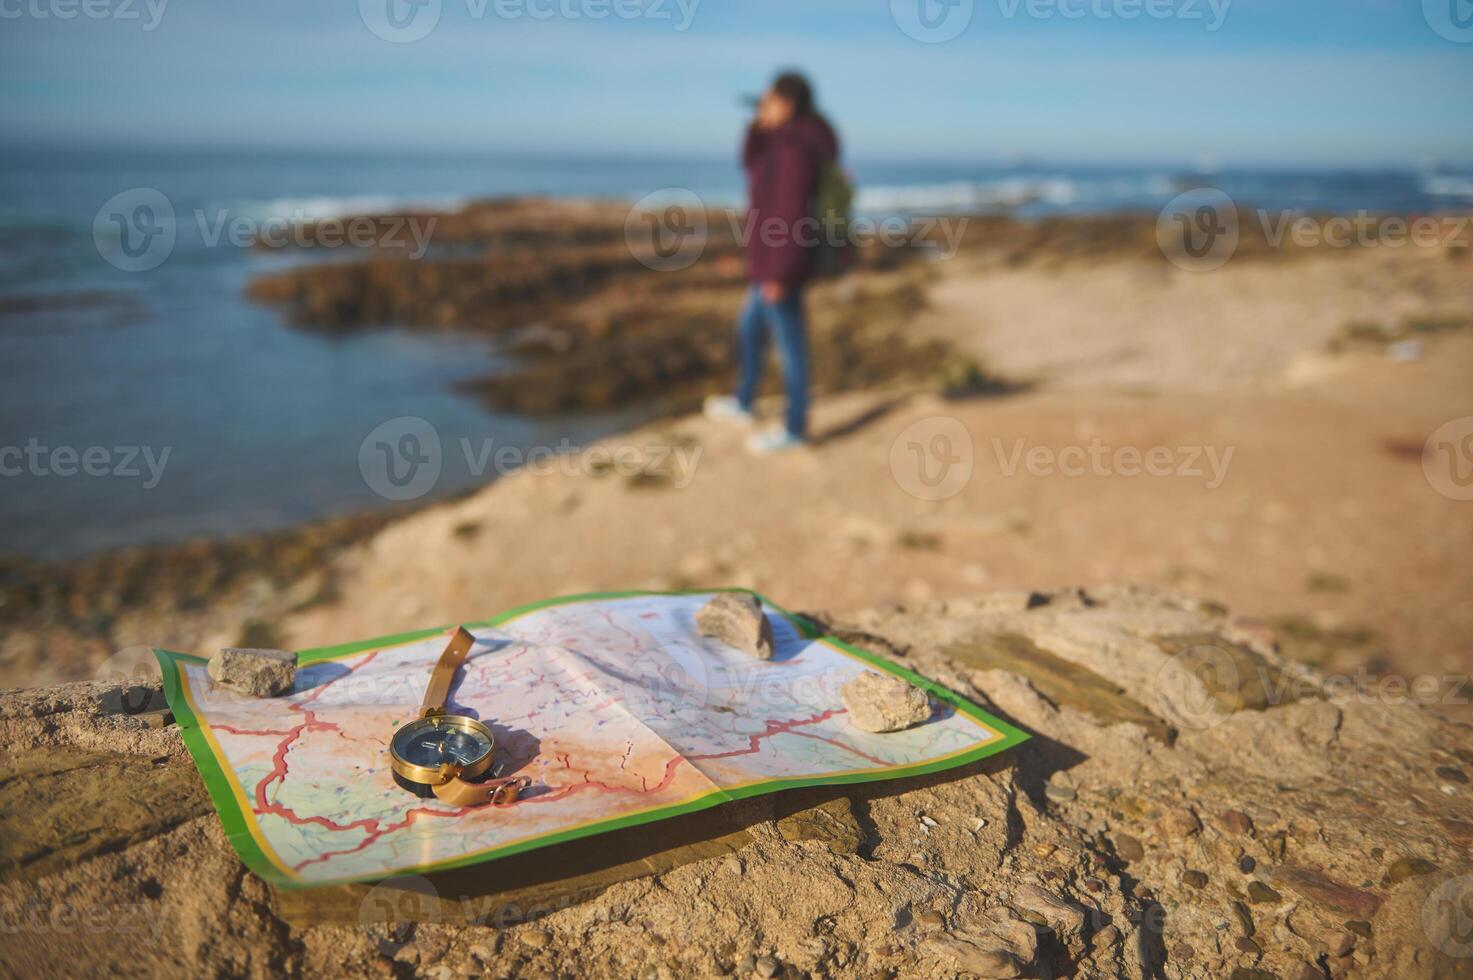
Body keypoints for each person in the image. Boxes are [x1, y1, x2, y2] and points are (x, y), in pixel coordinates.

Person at [705, 71, 839, 454]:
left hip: (782, 264)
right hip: (768, 261)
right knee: (749, 327)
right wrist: (756, 126)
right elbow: (749, 162)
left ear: (787, 103)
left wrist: (779, 273)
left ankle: (795, 428)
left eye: (767, 102)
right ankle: (744, 401)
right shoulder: (781, 142)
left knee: (791, 345)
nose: (761, 109)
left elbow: (792, 214)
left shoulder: (796, 148)